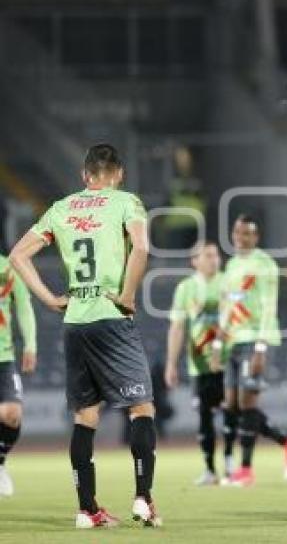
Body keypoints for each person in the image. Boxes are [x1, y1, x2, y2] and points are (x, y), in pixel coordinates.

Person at [9, 143, 161, 528]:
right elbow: (141, 247)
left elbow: (17, 256)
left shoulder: (61, 208)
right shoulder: (127, 202)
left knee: (85, 416)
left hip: (75, 320)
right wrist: (126, 296)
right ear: (119, 174)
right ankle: (143, 498)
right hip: (111, 315)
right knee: (141, 408)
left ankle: (86, 509)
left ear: (84, 176)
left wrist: (47, 299)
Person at [216, 214, 287, 486]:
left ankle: (245, 470)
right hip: (232, 342)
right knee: (232, 405)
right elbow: (227, 307)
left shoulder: (264, 264)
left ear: (255, 237)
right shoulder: (232, 265)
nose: (240, 238)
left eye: (247, 234)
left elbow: (269, 306)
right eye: (237, 233)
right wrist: (218, 343)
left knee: (248, 404)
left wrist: (260, 347)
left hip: (253, 340)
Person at [165, 240, 234, 485]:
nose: (214, 259)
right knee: (204, 416)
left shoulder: (229, 281)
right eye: (207, 256)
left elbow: (238, 318)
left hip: (228, 360)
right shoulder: (185, 288)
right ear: (194, 261)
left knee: (230, 412)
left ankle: (230, 466)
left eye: (215, 255)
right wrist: (171, 364)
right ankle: (209, 470)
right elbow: (177, 327)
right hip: (199, 363)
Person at [0, 251, 37, 497]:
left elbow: (24, 306)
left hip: (4, 356)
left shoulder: (9, 265)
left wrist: (31, 344)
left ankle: (0, 463)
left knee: (11, 414)